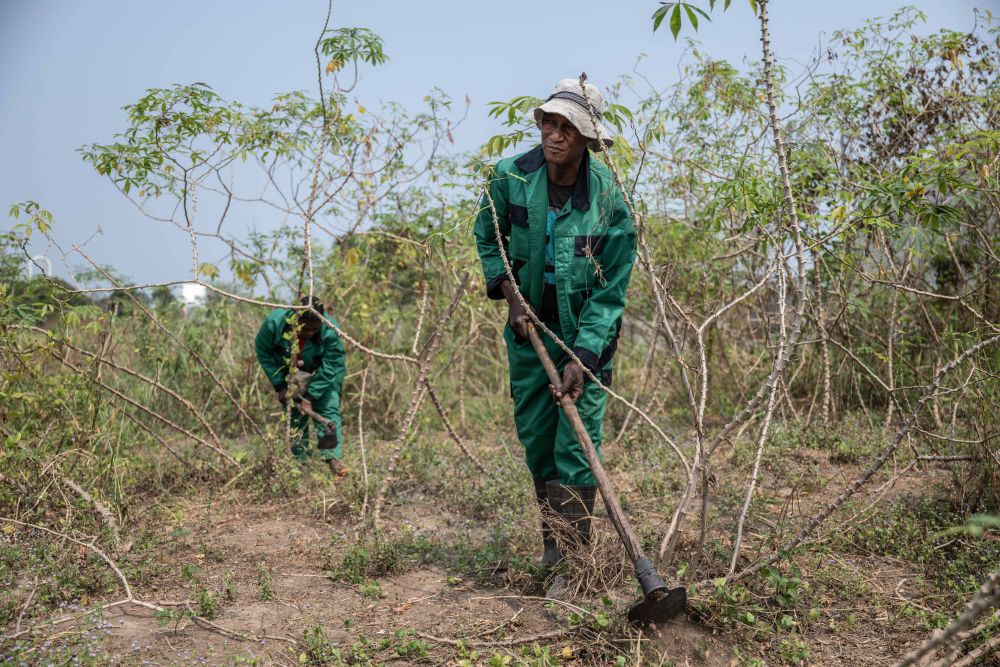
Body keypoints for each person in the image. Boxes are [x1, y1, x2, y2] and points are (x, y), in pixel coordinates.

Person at [473, 78, 637, 567]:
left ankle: (573, 562)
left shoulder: (610, 202)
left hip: (586, 344)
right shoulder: (510, 177)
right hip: (528, 335)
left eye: (568, 128)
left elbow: (611, 294)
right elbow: (488, 237)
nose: (555, 135)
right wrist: (510, 297)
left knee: (577, 448)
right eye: (550, 123)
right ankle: (553, 551)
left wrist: (583, 359)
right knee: (540, 442)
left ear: (588, 138)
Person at [255, 296, 349, 477]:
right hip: (290, 372)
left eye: (315, 330)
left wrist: (310, 397)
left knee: (328, 410)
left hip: (322, 374)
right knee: (296, 415)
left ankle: (332, 459)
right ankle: (301, 464)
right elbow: (264, 352)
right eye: (305, 329)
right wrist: (280, 386)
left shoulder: (330, 329)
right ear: (295, 319)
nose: (310, 333)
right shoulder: (274, 324)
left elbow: (331, 366)